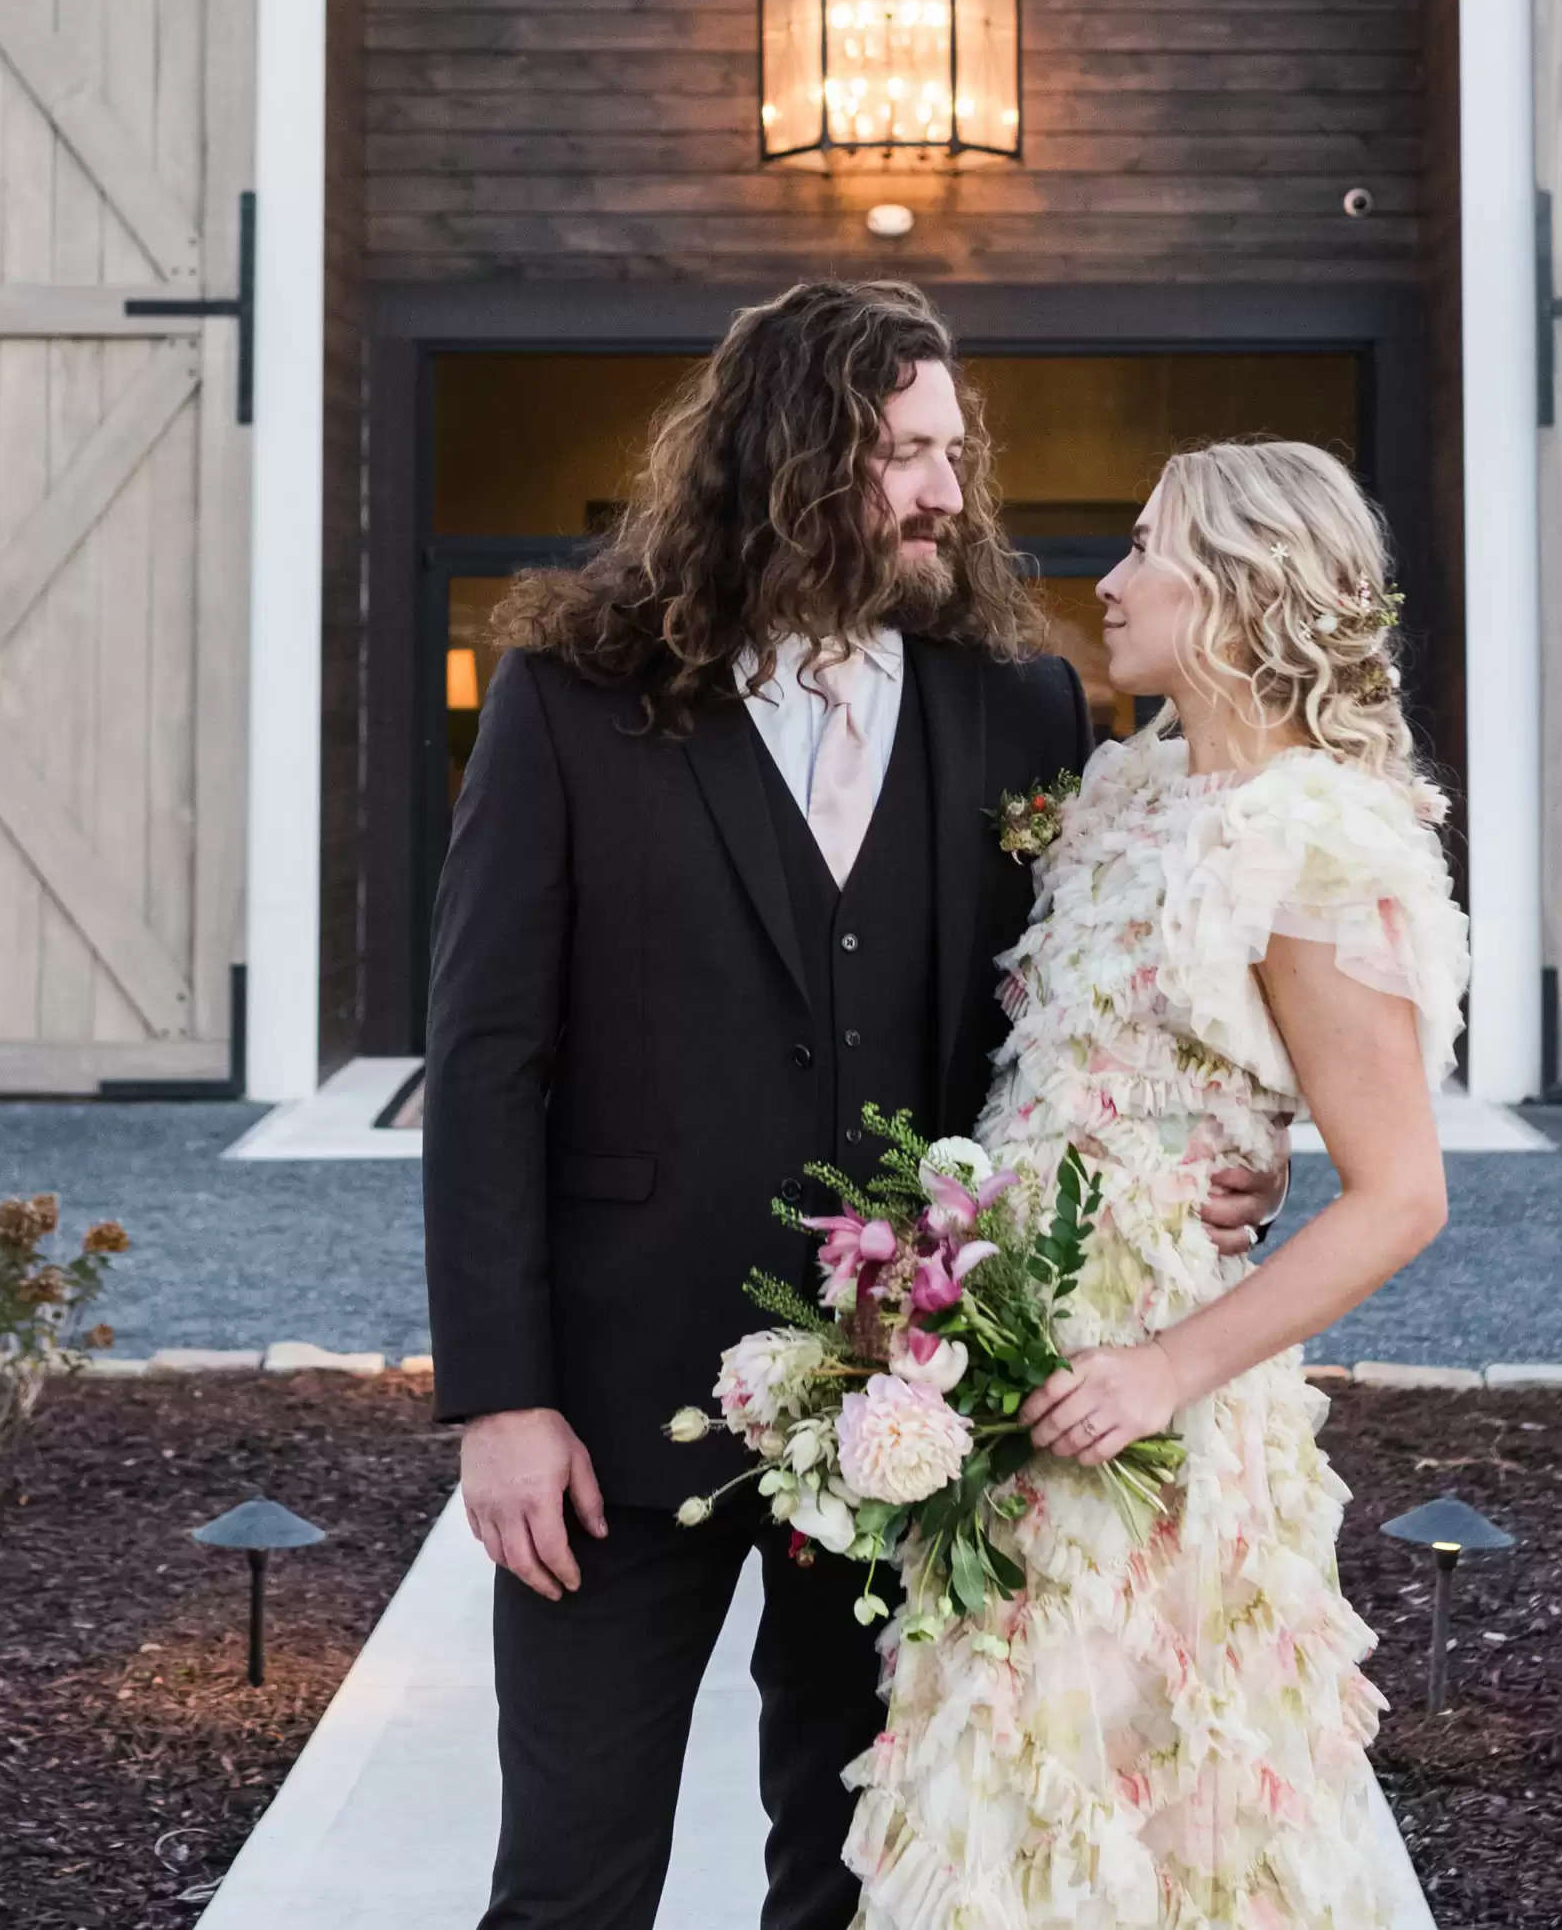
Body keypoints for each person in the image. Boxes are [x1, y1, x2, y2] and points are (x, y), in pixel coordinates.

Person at [421, 280, 1288, 1930]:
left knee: (861, 1879)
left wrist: (1204, 1153)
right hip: (615, 1414)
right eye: (905, 452)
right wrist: (498, 1398)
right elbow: (482, 1066)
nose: (949, 493)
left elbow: (1082, 1001)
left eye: (952, 450)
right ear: (787, 454)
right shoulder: (570, 697)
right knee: (569, 1885)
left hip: (921, 1412)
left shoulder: (1019, 708)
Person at [844, 437, 1468, 1930]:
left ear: (1242, 593)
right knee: (1000, 1770)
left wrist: (1160, 1368)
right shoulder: (1122, 790)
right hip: (1019, 1366)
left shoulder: (1312, 844)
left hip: (1159, 1405)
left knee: (1152, 1788)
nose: (1107, 582)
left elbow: (1401, 1192)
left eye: (1142, 550)